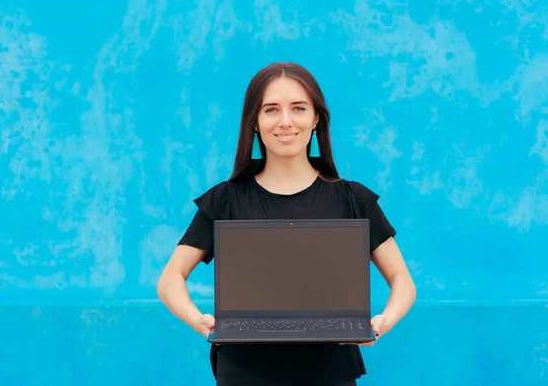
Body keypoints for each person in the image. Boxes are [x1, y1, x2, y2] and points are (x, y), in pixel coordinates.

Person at [157, 62, 417, 385]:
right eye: (271, 110)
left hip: (331, 372)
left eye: (298, 108)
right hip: (244, 373)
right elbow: (170, 279)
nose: (285, 122)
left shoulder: (353, 199)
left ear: (315, 118)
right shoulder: (225, 200)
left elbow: (402, 281)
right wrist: (201, 321)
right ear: (254, 122)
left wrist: (381, 323)